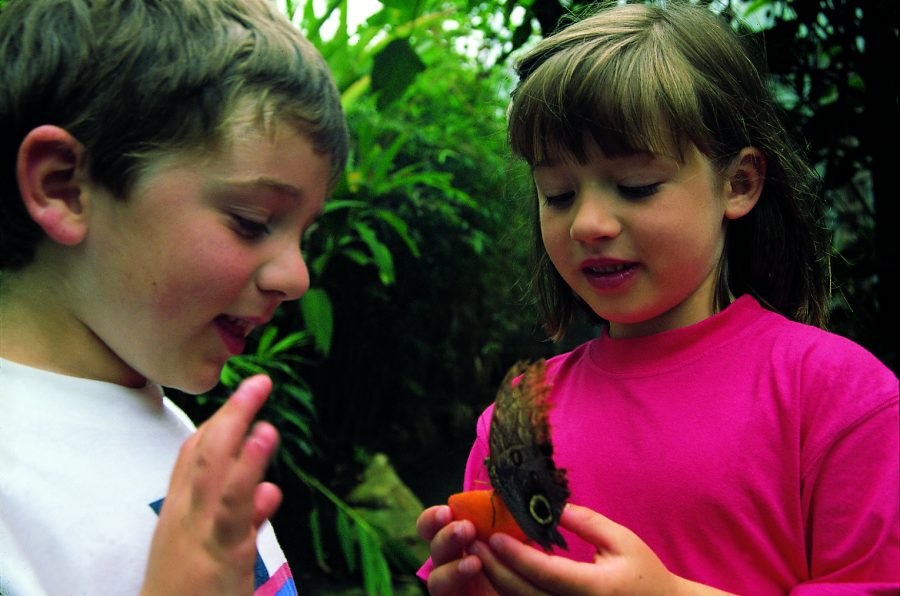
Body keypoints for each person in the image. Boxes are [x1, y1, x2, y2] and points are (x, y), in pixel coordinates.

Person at [416, 2, 899, 594]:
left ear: (738, 183)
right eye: (558, 194)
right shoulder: (519, 414)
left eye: (636, 186)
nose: (587, 223)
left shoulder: (838, 395)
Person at [0, 0, 348, 593]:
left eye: (302, 235)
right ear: (65, 186)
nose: (297, 277)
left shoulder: (171, 425)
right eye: (252, 219)